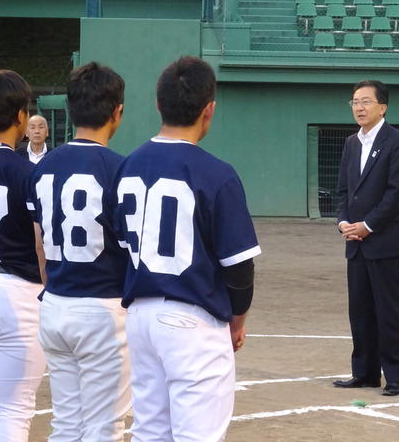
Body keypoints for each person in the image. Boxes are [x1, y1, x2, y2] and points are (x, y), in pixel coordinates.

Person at [113, 56, 260, 441]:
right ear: (208, 110)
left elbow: (121, 248)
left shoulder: (128, 165)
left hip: (141, 318)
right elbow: (239, 269)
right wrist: (237, 322)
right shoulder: (217, 173)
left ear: (159, 104)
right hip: (192, 322)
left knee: (150, 432)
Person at [26, 62, 131, 441]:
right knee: (105, 428)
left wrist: (52, 284)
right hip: (103, 304)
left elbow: (39, 239)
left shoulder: (42, 166)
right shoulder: (121, 169)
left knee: (66, 425)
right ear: (117, 111)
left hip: (54, 302)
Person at [333, 80, 399, 397]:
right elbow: (343, 191)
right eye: (354, 101)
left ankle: (395, 376)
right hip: (355, 243)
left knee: (388, 309)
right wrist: (343, 222)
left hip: (385, 242)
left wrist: (367, 225)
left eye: (366, 101)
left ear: (383, 106)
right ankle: (365, 373)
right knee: (360, 310)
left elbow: (396, 194)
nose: (359, 107)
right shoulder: (352, 143)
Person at [0, 69, 46, 441]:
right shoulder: (26, 172)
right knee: (14, 410)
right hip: (15, 294)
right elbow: (40, 242)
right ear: (21, 117)